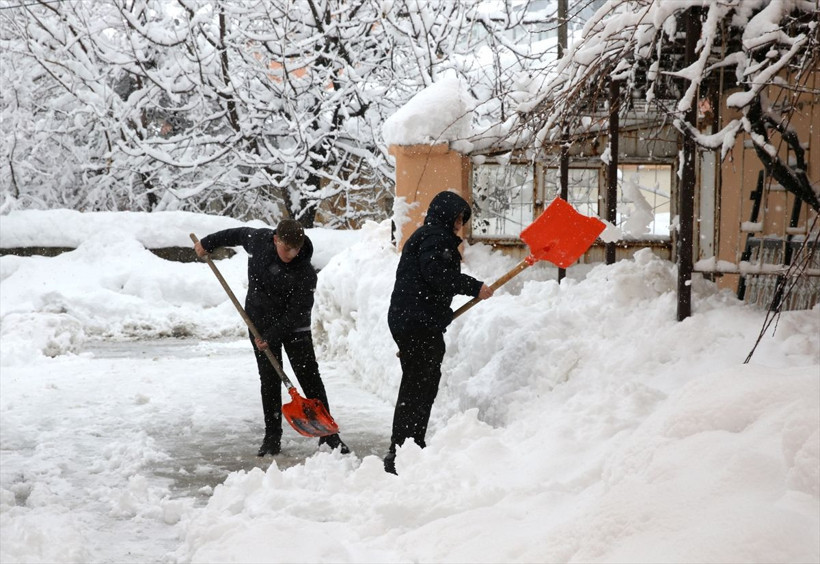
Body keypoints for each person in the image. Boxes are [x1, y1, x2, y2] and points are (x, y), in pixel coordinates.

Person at [194, 219, 348, 456]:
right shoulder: (259, 241)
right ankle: (272, 437)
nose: (292, 254)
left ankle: (329, 437)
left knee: (309, 377)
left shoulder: (305, 273)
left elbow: (297, 313)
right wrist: (207, 243)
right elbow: (237, 234)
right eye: (287, 248)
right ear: (276, 239)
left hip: (294, 328)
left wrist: (273, 335)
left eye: (296, 249)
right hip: (260, 322)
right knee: (269, 380)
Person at [384, 191, 494, 474]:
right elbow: (437, 275)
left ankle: (409, 446)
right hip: (416, 322)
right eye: (458, 218)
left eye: (462, 220)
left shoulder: (430, 236)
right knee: (418, 387)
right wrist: (474, 287)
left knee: (421, 384)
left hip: (415, 321)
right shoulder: (435, 238)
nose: (460, 225)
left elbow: (431, 279)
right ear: (446, 215)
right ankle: (402, 451)